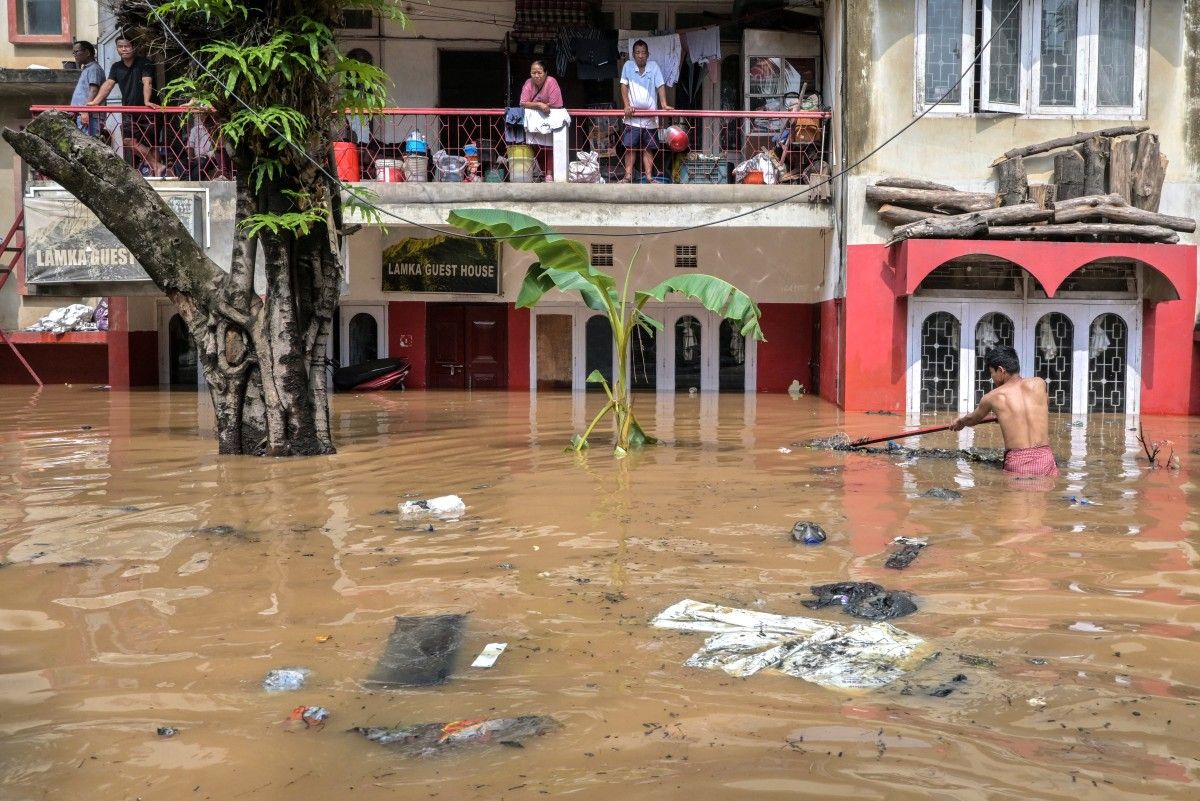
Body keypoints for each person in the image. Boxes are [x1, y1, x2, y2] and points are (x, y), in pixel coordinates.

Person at [950, 345, 1059, 477]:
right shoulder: (1039, 383)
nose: (992, 378)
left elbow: (973, 419)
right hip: (1045, 458)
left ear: (1001, 371)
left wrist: (960, 422)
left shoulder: (993, 396)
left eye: (992, 373)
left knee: (1011, 497)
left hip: (1019, 461)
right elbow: (1043, 405)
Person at [87, 35, 166, 177]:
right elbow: (108, 85)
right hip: (129, 111)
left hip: (148, 110)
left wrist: (147, 101)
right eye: (120, 46)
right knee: (128, 141)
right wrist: (95, 102)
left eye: (127, 46)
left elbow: (147, 82)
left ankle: (157, 176)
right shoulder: (116, 67)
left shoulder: (145, 63)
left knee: (152, 144)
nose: (124, 49)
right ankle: (157, 166)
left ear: (134, 47)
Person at [619, 39, 673, 183]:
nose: (640, 55)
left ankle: (649, 177)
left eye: (643, 53)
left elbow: (660, 85)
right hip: (633, 116)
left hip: (650, 118)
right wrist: (626, 105)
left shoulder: (654, 67)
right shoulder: (628, 66)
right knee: (630, 147)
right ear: (633, 54)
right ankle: (628, 175)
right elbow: (624, 86)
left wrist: (664, 104)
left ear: (648, 54)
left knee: (649, 148)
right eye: (637, 52)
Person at [519, 61, 564, 181]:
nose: (536, 75)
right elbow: (523, 102)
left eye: (539, 72)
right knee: (535, 144)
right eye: (533, 72)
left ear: (545, 73)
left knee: (549, 145)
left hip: (550, 118)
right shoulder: (528, 83)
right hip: (533, 120)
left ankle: (549, 173)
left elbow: (555, 103)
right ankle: (543, 172)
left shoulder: (551, 82)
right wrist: (539, 105)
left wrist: (533, 105)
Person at [70, 41, 105, 136]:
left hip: (90, 116)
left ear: (88, 53)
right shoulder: (87, 69)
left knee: (89, 145)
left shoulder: (94, 68)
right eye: (73, 53)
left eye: (76, 52)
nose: (74, 55)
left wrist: (86, 111)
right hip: (82, 115)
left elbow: (93, 90)